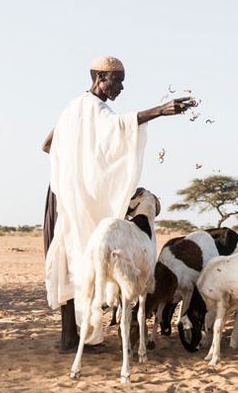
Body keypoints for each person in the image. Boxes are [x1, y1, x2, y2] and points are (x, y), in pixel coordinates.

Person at [42, 55, 193, 352]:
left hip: (62, 192)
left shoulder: (71, 109)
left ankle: (71, 337)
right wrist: (160, 111)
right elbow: (116, 127)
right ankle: (74, 337)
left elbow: (48, 145)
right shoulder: (93, 109)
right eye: (118, 81)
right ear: (100, 78)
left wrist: (74, 164)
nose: (121, 88)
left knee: (71, 259)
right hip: (71, 196)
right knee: (76, 258)